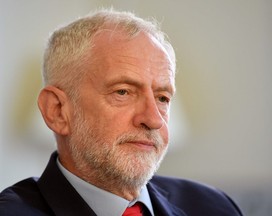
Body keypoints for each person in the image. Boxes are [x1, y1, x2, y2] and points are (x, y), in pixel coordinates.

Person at [0, 9, 243, 216]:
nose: (153, 120)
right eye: (123, 92)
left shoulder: (215, 207)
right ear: (58, 111)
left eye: (162, 98)